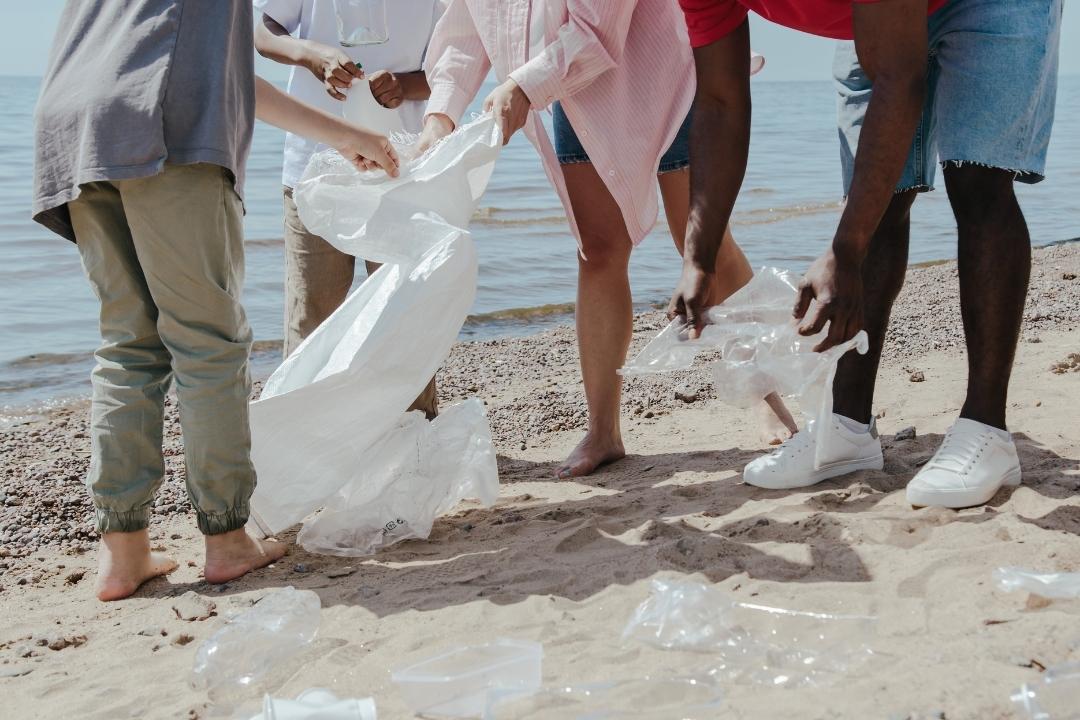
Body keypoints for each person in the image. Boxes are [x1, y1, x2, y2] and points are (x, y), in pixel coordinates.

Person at [33, 1, 397, 601]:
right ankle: (226, 539)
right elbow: (212, 76)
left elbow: (219, 72)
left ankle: (123, 554)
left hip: (74, 125)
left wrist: (345, 135)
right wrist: (350, 129)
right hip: (163, 124)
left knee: (128, 344)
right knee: (208, 342)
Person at [671, 0, 1061, 507]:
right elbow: (720, 100)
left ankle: (986, 428)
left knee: (976, 179)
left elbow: (901, 78)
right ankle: (847, 428)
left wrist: (844, 249)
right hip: (877, 18)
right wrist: (699, 257)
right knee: (877, 195)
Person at [418, 0, 789, 478]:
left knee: (700, 242)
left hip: (664, 72)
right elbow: (464, 35)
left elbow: (595, 31)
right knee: (598, 252)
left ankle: (765, 394)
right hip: (578, 90)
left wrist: (522, 87)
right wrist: (439, 119)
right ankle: (603, 431)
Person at [254, 0, 446, 418]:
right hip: (313, 169)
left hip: (403, 168)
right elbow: (262, 32)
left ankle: (418, 444)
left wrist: (405, 85)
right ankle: (300, 442)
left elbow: (458, 66)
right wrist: (310, 55)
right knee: (312, 318)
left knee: (404, 315)